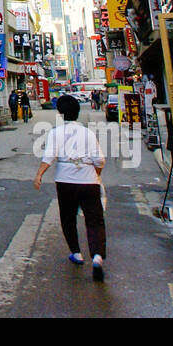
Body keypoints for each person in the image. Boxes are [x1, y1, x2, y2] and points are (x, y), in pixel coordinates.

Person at [34, 93, 107, 282]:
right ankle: (97, 256)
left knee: (68, 218)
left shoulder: (55, 133)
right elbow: (99, 159)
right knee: (95, 220)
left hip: (65, 181)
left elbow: (49, 157)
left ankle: (76, 253)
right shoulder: (88, 133)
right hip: (88, 180)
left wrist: (39, 174)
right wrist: (96, 174)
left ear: (61, 113)